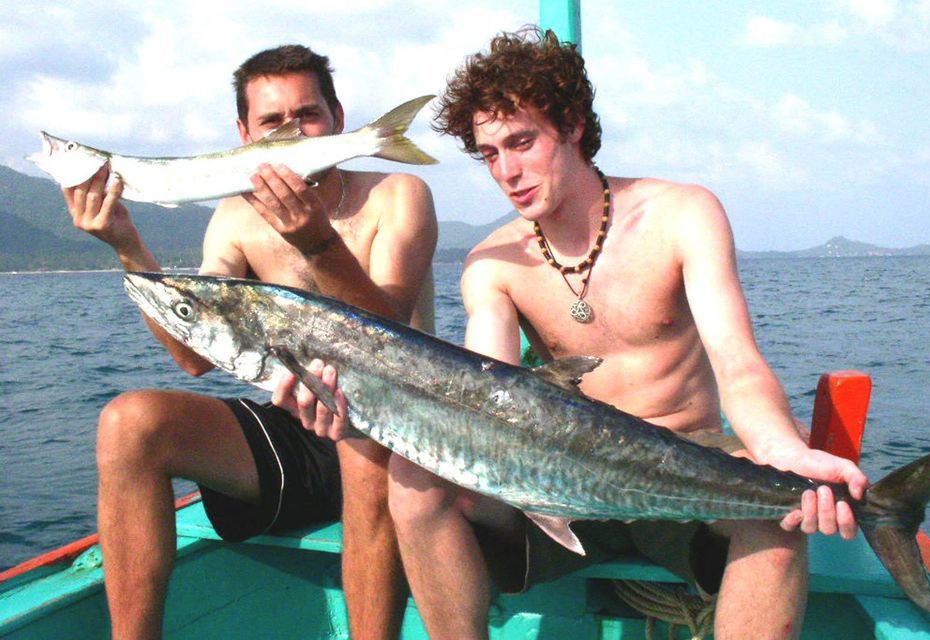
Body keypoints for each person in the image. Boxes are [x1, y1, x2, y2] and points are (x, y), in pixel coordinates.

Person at [384, 28, 868, 640]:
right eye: (489, 153)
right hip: (550, 476)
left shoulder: (681, 215)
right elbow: (488, 397)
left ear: (574, 124)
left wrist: (783, 451)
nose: (507, 170)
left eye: (522, 141)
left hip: (682, 466)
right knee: (411, 480)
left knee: (777, 520)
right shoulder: (493, 264)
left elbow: (738, 363)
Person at [62, 44, 437, 640]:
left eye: (307, 115)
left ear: (338, 120)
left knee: (361, 446)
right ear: (243, 136)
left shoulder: (397, 196)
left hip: (397, 431)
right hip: (296, 429)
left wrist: (320, 242)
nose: (291, 131)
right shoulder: (235, 219)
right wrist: (127, 245)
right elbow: (192, 358)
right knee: (128, 424)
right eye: (270, 122)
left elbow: (388, 345)